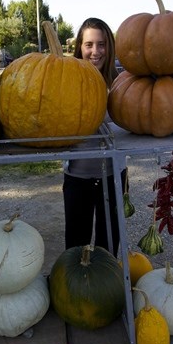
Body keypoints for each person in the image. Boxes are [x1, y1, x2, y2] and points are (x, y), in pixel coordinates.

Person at [63, 18, 126, 258]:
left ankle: (105, 281)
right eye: (89, 44)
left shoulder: (122, 83)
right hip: (77, 176)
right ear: (80, 47)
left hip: (114, 175)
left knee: (108, 247)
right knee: (75, 246)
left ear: (109, 47)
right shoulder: (66, 82)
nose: (95, 51)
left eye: (101, 44)